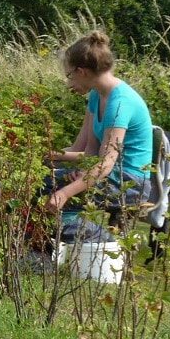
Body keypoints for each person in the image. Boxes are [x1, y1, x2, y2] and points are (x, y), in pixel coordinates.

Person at [44, 31, 152, 236]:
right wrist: (47, 155)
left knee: (52, 189)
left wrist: (65, 192)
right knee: (43, 178)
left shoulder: (119, 103)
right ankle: (68, 249)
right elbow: (87, 153)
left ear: (81, 71)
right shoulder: (96, 95)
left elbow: (106, 163)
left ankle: (104, 245)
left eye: (69, 76)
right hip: (109, 172)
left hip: (130, 182)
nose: (69, 84)